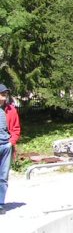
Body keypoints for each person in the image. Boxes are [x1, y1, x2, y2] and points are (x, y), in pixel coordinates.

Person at [0, 83, 21, 215]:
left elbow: (16, 128)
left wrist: (11, 142)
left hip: (6, 147)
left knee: (3, 176)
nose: (4, 96)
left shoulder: (11, 110)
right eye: (2, 94)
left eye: (5, 94)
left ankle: (0, 204)